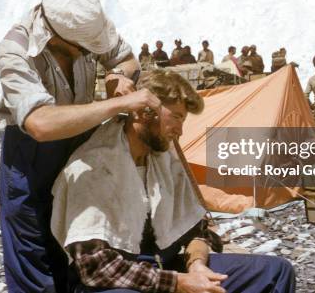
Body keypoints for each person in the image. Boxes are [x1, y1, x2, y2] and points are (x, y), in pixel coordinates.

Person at [51, 69, 296, 293]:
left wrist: (197, 265)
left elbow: (198, 230)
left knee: (275, 271)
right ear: (144, 112)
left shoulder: (163, 159)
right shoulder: (94, 165)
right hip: (116, 282)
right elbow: (96, 269)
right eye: (176, 117)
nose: (179, 130)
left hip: (163, 269)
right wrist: (178, 283)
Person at [0, 0, 161, 293]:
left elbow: (125, 58)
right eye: (84, 50)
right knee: (35, 249)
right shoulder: (15, 50)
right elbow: (40, 124)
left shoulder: (87, 21)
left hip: (80, 145)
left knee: (79, 242)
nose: (91, 52)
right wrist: (118, 103)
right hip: (32, 155)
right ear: (56, 37)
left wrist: (119, 76)